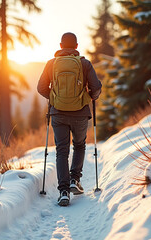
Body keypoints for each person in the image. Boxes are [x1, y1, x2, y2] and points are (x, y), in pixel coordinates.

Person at [37, 32, 102, 206]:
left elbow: (41, 87)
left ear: (60, 46)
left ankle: (64, 191)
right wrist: (89, 97)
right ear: (76, 46)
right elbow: (96, 88)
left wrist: (54, 98)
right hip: (80, 113)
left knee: (61, 151)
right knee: (79, 145)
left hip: (58, 113)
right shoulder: (84, 64)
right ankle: (75, 180)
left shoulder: (51, 64)